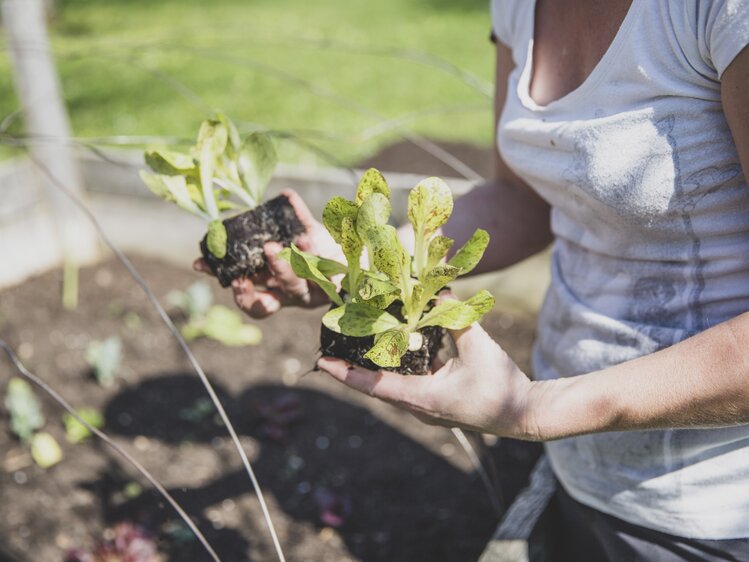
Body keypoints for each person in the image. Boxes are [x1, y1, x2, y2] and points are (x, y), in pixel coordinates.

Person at [197, 0, 749, 559]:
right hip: (574, 460)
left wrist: (537, 410)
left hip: (712, 509)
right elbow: (522, 199)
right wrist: (358, 262)